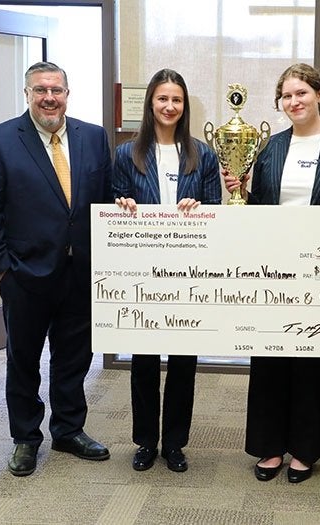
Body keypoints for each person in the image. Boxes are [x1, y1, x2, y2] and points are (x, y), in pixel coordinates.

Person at [225, 63, 320, 484]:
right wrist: (240, 193)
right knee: (268, 358)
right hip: (272, 266)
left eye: (301, 92)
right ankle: (269, 447)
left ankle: (304, 449)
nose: (294, 101)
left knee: (308, 361)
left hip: (319, 269)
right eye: (286, 96)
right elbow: (260, 206)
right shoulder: (270, 147)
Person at [0, 61, 112, 476]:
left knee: (74, 359)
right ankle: (26, 439)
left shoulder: (93, 136)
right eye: (40, 90)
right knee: (24, 361)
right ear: (27, 94)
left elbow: (103, 199)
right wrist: (1, 270)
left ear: (67, 93)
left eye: (56, 90)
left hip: (80, 272)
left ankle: (68, 430)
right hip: (24, 275)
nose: (49, 98)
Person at [113, 68, 221, 473]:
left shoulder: (202, 154)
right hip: (141, 273)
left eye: (177, 99)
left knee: (183, 362)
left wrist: (200, 208)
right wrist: (122, 205)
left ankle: (175, 443)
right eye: (163, 98)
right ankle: (145, 441)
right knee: (143, 361)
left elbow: (217, 210)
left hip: (188, 273)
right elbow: (113, 202)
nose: (170, 106)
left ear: (184, 105)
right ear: (151, 103)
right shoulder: (127, 154)